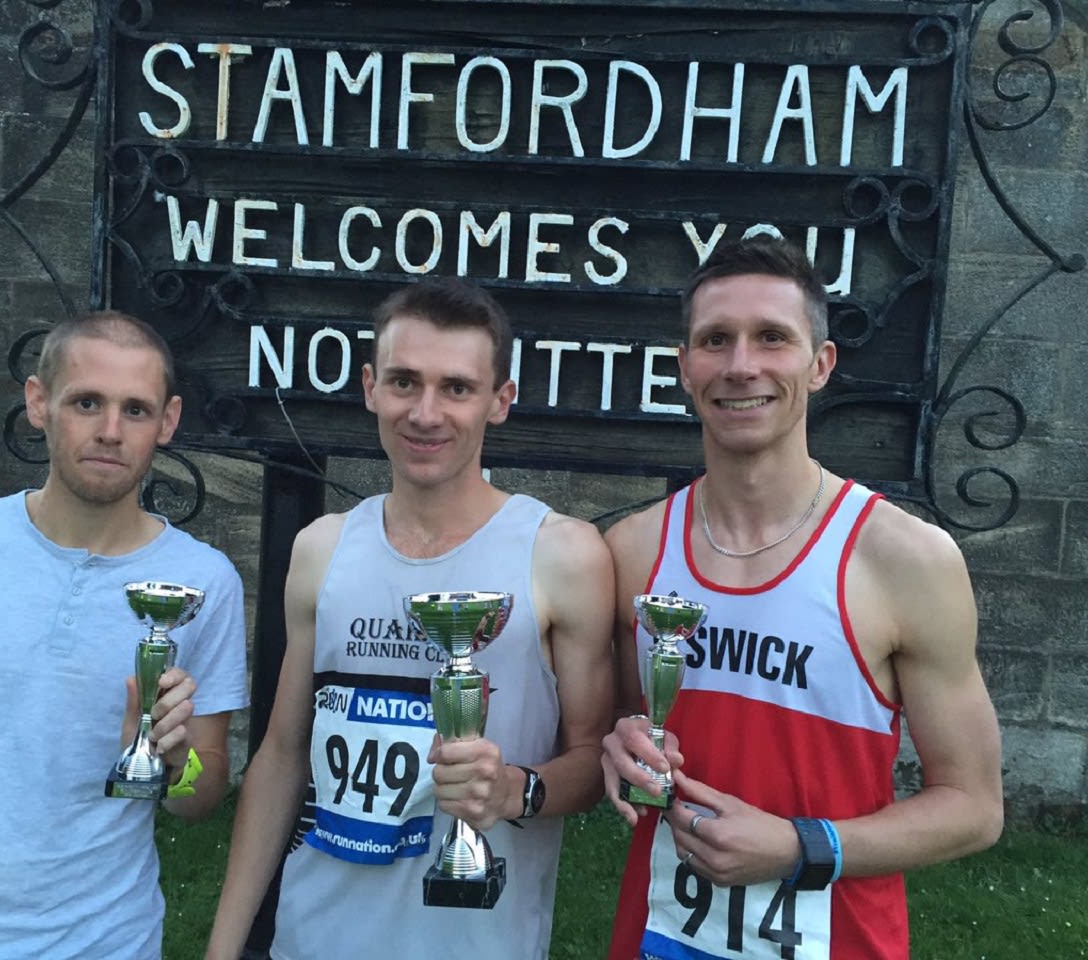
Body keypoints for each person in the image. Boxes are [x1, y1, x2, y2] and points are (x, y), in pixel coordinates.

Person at [600, 236, 1003, 959]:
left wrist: (798, 846)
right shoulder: (633, 550)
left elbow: (974, 807)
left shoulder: (906, 559)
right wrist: (620, 745)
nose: (741, 365)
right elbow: (631, 726)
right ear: (684, 367)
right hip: (660, 940)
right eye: (715, 340)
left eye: (772, 338)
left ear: (820, 364)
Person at [206, 278, 615, 960]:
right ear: (370, 387)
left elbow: (591, 761)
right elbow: (281, 755)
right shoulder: (322, 548)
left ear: (500, 400)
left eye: (456, 388)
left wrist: (515, 789)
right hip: (313, 938)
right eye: (404, 382)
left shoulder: (561, 554)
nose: (426, 413)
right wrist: (222, 948)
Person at [0, 310, 248, 959]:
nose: (110, 431)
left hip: (103, 942)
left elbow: (200, 799)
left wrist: (170, 761)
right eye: (87, 402)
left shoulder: (204, 582)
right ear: (39, 402)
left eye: (136, 410)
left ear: (168, 421)